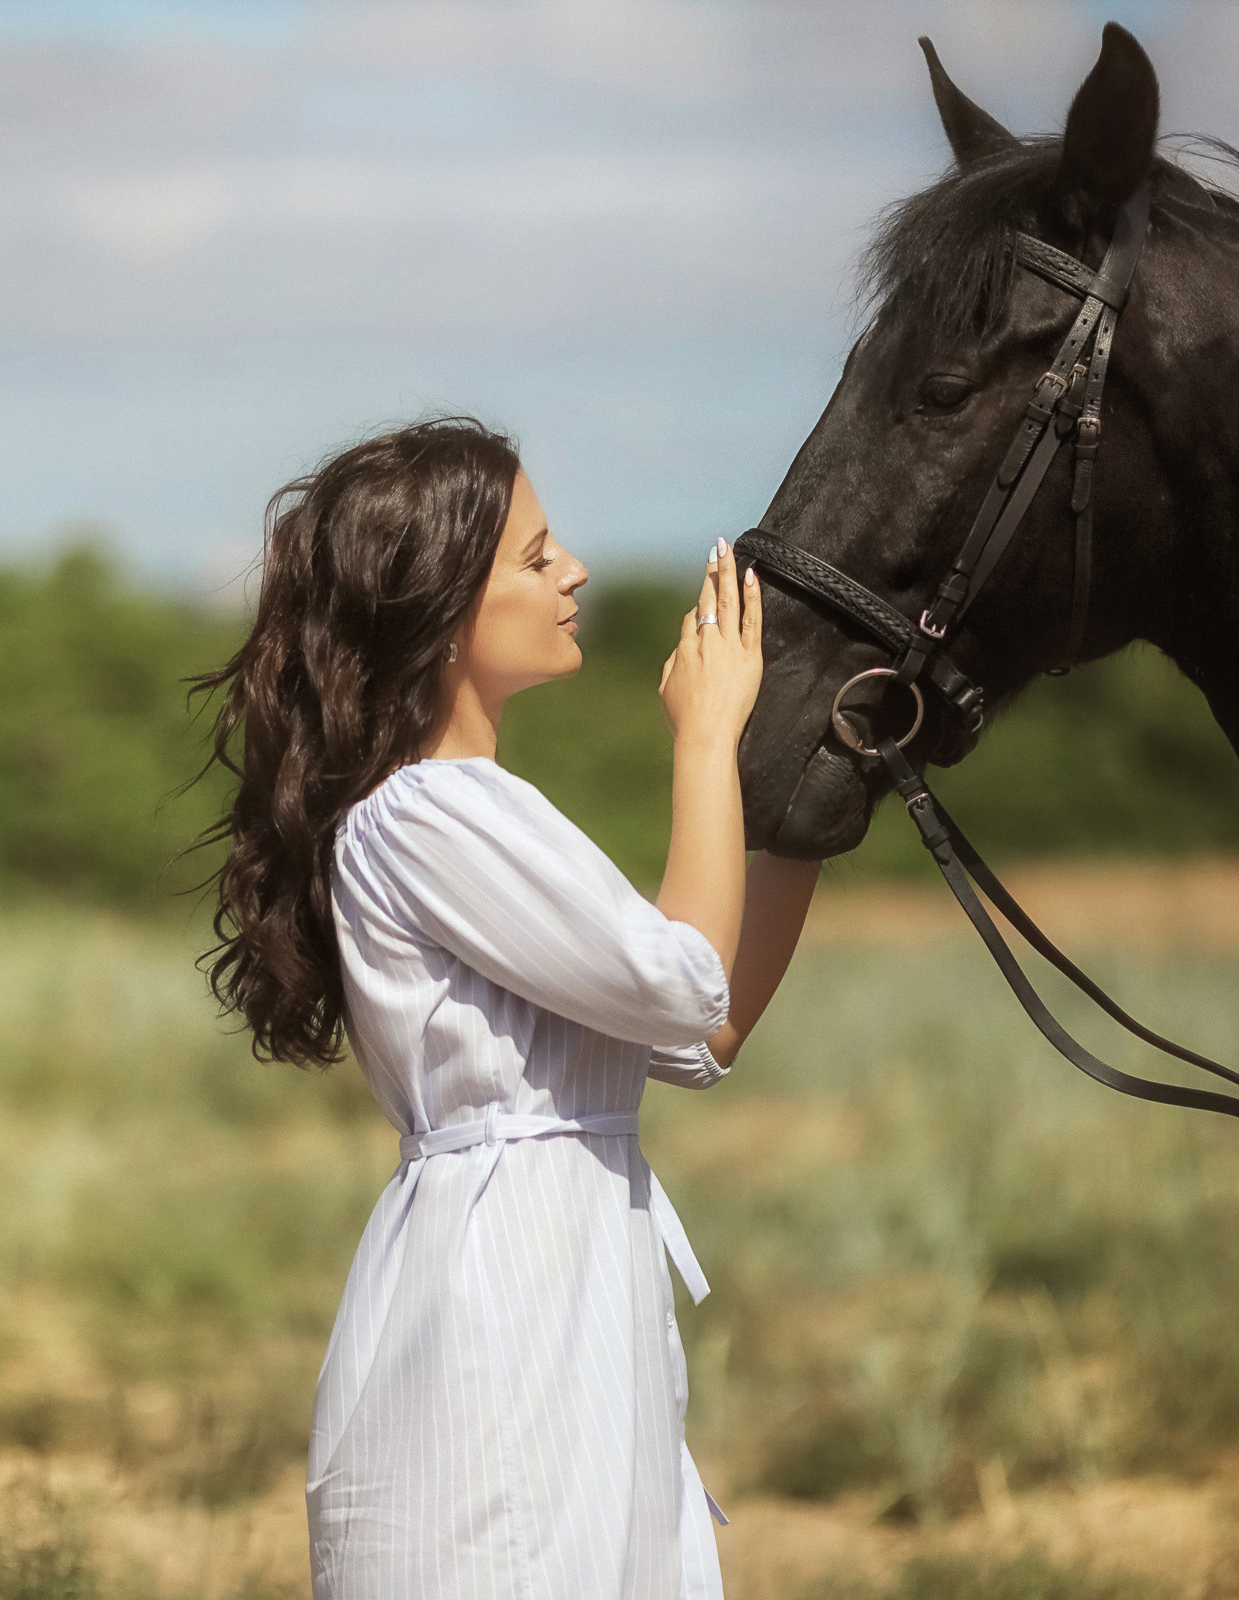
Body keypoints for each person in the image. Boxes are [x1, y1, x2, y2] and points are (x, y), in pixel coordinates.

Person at [185, 416, 821, 1599]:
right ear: (438, 610)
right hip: (504, 1298)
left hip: (570, 1275)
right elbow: (683, 978)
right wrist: (705, 741)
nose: (573, 570)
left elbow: (701, 1029)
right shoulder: (425, 812)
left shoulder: (474, 804)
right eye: (535, 557)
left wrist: (822, 797)